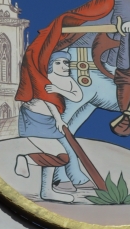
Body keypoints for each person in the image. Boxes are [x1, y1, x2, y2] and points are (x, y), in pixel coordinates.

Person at [15, 0, 130, 139]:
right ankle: (126, 109)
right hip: (115, 42)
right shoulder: (105, 0)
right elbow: (84, 16)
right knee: (126, 64)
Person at [15, 51, 84, 202]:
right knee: (60, 156)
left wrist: (59, 90)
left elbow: (77, 96)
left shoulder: (67, 80)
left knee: (58, 156)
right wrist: (59, 120)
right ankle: (26, 160)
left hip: (47, 121)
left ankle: (46, 191)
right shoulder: (47, 79)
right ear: (50, 65)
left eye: (65, 63)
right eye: (57, 63)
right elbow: (49, 101)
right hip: (34, 119)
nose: (63, 66)